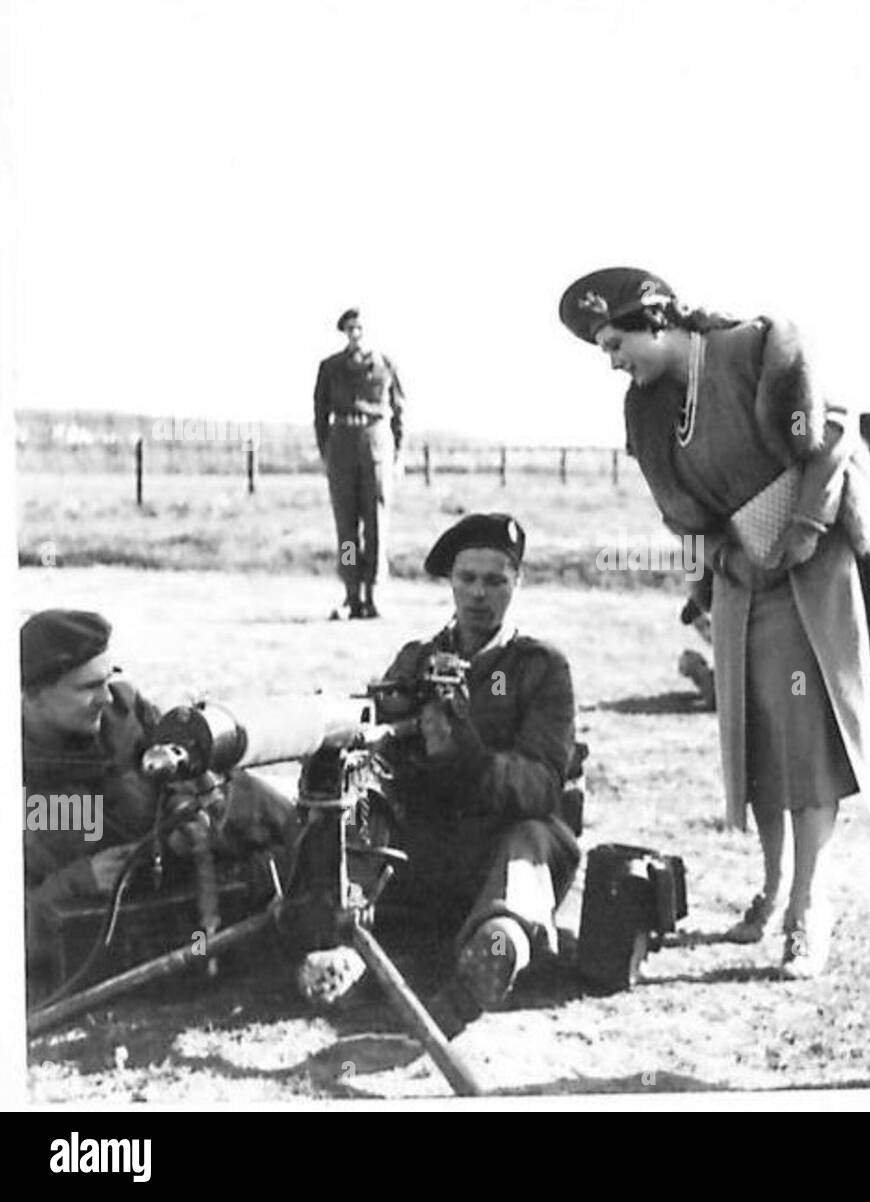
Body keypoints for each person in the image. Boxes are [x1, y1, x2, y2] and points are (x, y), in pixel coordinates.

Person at [558, 268, 870, 977]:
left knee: (810, 746)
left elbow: (834, 433)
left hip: (810, 571)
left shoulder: (756, 351)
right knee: (759, 747)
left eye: (615, 340)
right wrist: (715, 564)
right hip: (740, 579)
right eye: (603, 348)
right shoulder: (646, 410)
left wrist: (807, 526)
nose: (612, 359)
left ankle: (811, 908)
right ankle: (774, 889)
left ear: (655, 319)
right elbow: (678, 513)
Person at [369, 513, 580, 1038]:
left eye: (495, 581)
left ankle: (496, 947)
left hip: (504, 844)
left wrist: (464, 756)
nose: (478, 594)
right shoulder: (417, 660)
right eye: (467, 579)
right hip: (429, 844)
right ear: (450, 582)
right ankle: (350, 943)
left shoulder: (541, 667)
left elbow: (540, 786)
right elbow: (384, 758)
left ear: (517, 584)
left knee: (528, 840)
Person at [22, 609, 298, 991]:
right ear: (31, 694)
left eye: (108, 678)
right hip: (83, 943)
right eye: (87, 687)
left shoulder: (124, 711)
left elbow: (193, 771)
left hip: (178, 882)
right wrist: (73, 882)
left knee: (260, 807)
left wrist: (192, 807)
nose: (105, 697)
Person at [313, 307, 405, 620]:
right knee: (347, 527)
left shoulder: (386, 365)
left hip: (376, 441)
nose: (355, 334)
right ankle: (351, 593)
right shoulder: (330, 367)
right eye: (349, 328)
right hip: (342, 443)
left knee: (376, 522)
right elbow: (320, 414)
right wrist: (327, 453)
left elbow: (400, 412)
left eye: (360, 328)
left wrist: (398, 456)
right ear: (344, 332)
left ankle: (373, 593)